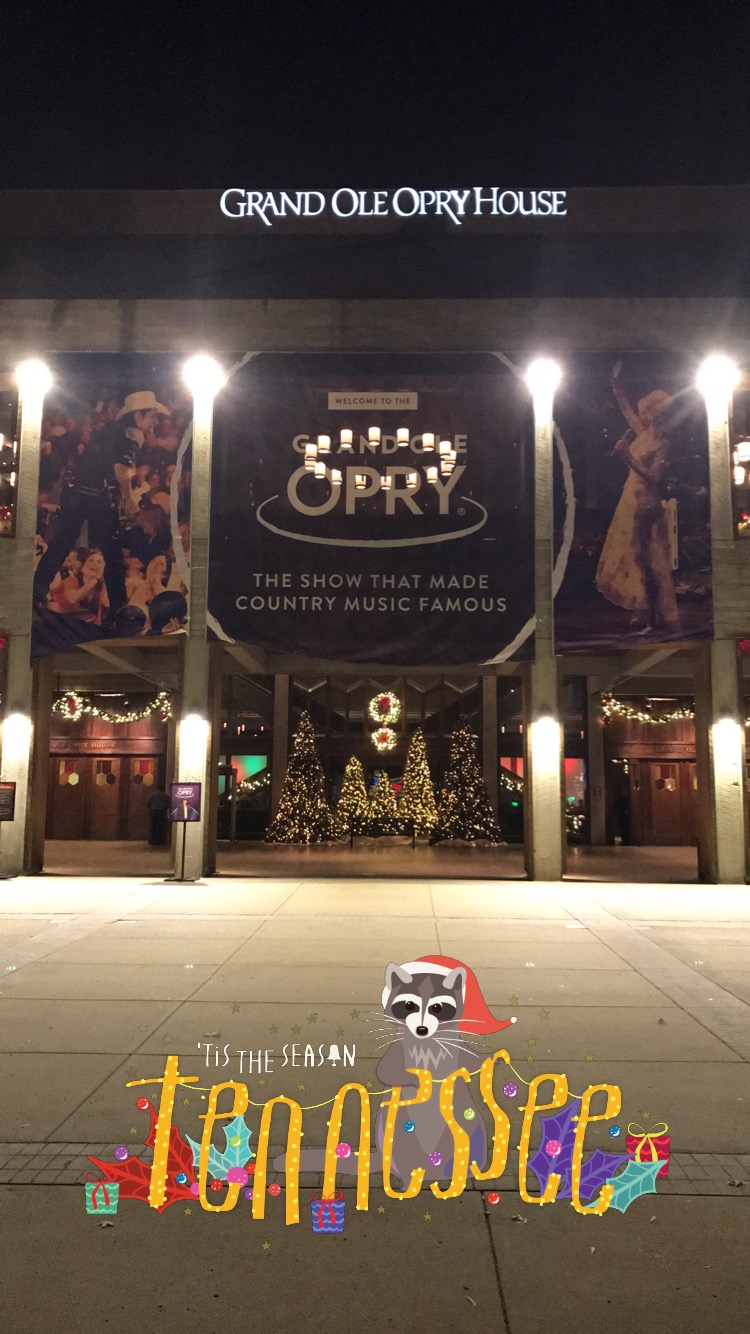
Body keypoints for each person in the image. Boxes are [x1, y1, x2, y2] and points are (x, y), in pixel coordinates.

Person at [33, 390, 171, 626]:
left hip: (77, 494)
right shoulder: (132, 434)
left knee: (62, 543)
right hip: (98, 498)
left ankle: (36, 591)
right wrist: (130, 502)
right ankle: (120, 610)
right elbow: (121, 470)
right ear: (138, 416)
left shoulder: (109, 429)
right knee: (113, 555)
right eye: (152, 416)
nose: (155, 422)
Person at [595, 362, 679, 634]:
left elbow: (654, 478)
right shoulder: (643, 432)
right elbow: (626, 410)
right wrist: (616, 386)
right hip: (630, 498)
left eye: (646, 410)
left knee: (646, 559)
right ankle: (641, 610)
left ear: (655, 413)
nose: (641, 413)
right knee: (631, 556)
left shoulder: (663, 443)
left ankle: (652, 614)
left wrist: (627, 457)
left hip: (646, 501)